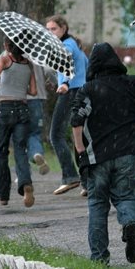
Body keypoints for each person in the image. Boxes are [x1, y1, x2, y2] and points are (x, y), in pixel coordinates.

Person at [70, 42, 135, 264]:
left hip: (97, 157)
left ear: (93, 66)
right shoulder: (133, 83)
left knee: (97, 205)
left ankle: (99, 259)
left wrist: (79, 149)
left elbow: (76, 120)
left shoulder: (89, 89)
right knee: (126, 196)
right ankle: (130, 223)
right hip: (127, 154)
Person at [0, 38, 37, 207]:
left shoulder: (4, 58)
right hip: (23, 109)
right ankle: (26, 184)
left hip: (6, 107)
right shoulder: (28, 64)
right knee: (20, 150)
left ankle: (2, 195)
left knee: (2, 150)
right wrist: (19, 87)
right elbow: (33, 91)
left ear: (6, 46)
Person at [46, 15, 88, 196]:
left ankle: (71, 176)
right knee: (81, 138)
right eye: (48, 30)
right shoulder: (74, 44)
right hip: (82, 92)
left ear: (64, 28)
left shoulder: (67, 46)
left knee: (55, 135)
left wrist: (65, 83)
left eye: (53, 29)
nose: (51, 33)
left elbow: (66, 60)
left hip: (70, 93)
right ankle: (88, 182)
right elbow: (85, 67)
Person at [25, 65, 52, 176]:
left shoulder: (11, 51)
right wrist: (53, 82)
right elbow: (49, 70)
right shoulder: (37, 50)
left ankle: (23, 174)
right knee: (35, 133)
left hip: (16, 99)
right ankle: (36, 153)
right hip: (36, 98)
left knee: (19, 137)